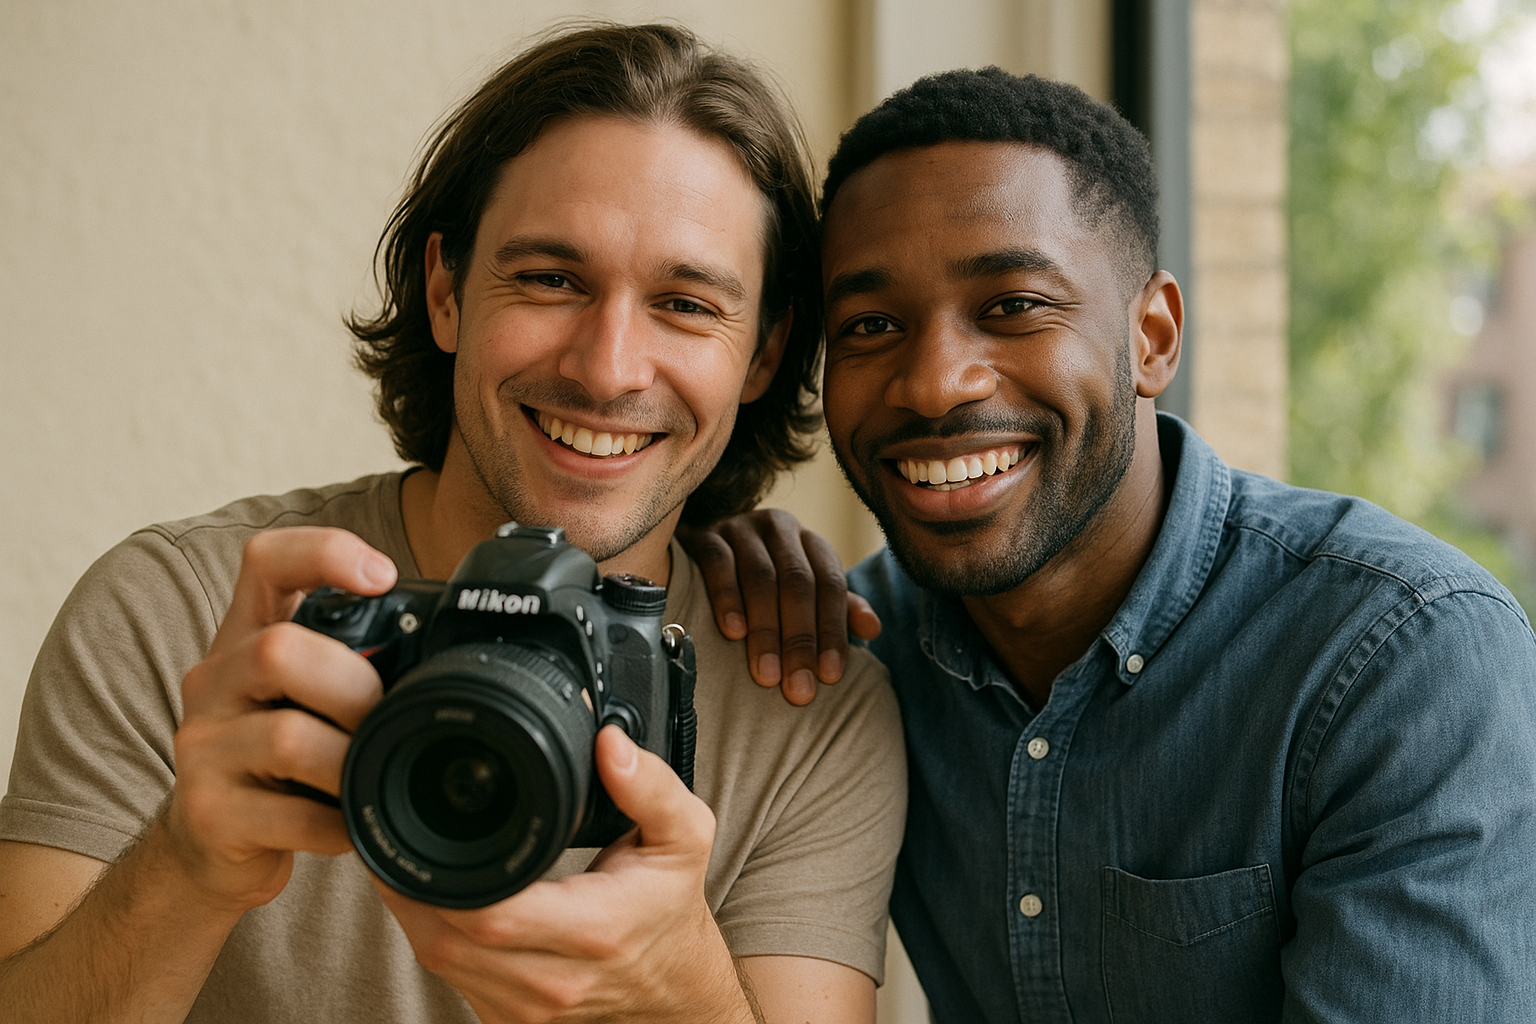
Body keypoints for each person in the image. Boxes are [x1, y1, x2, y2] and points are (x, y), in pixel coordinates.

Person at [0, 24, 904, 1024]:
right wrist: (188, 861)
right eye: (552, 279)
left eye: (686, 304)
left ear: (765, 352)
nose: (607, 368)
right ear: (445, 290)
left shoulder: (804, 699)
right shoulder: (184, 616)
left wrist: (681, 990)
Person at [687, 69, 1536, 1021]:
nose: (934, 384)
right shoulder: (843, 657)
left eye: (1013, 306)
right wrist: (710, 553)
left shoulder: (1404, 660)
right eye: (872, 326)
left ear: (1154, 335)